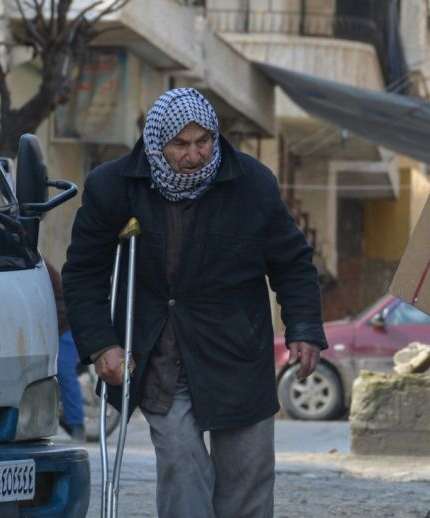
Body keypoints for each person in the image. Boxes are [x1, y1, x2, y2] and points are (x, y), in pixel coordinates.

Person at [62, 87, 327, 518]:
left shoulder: (252, 183)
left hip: (237, 351)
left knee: (247, 481)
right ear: (156, 145)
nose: (195, 155)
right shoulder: (113, 187)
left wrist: (304, 328)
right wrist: (102, 344)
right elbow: (83, 273)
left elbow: (293, 262)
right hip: (161, 353)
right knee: (183, 467)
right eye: (180, 145)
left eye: (204, 141)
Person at [47, 260, 85, 441]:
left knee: (64, 371)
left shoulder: (38, 264)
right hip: (49, 328)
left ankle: (77, 424)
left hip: (64, 325)